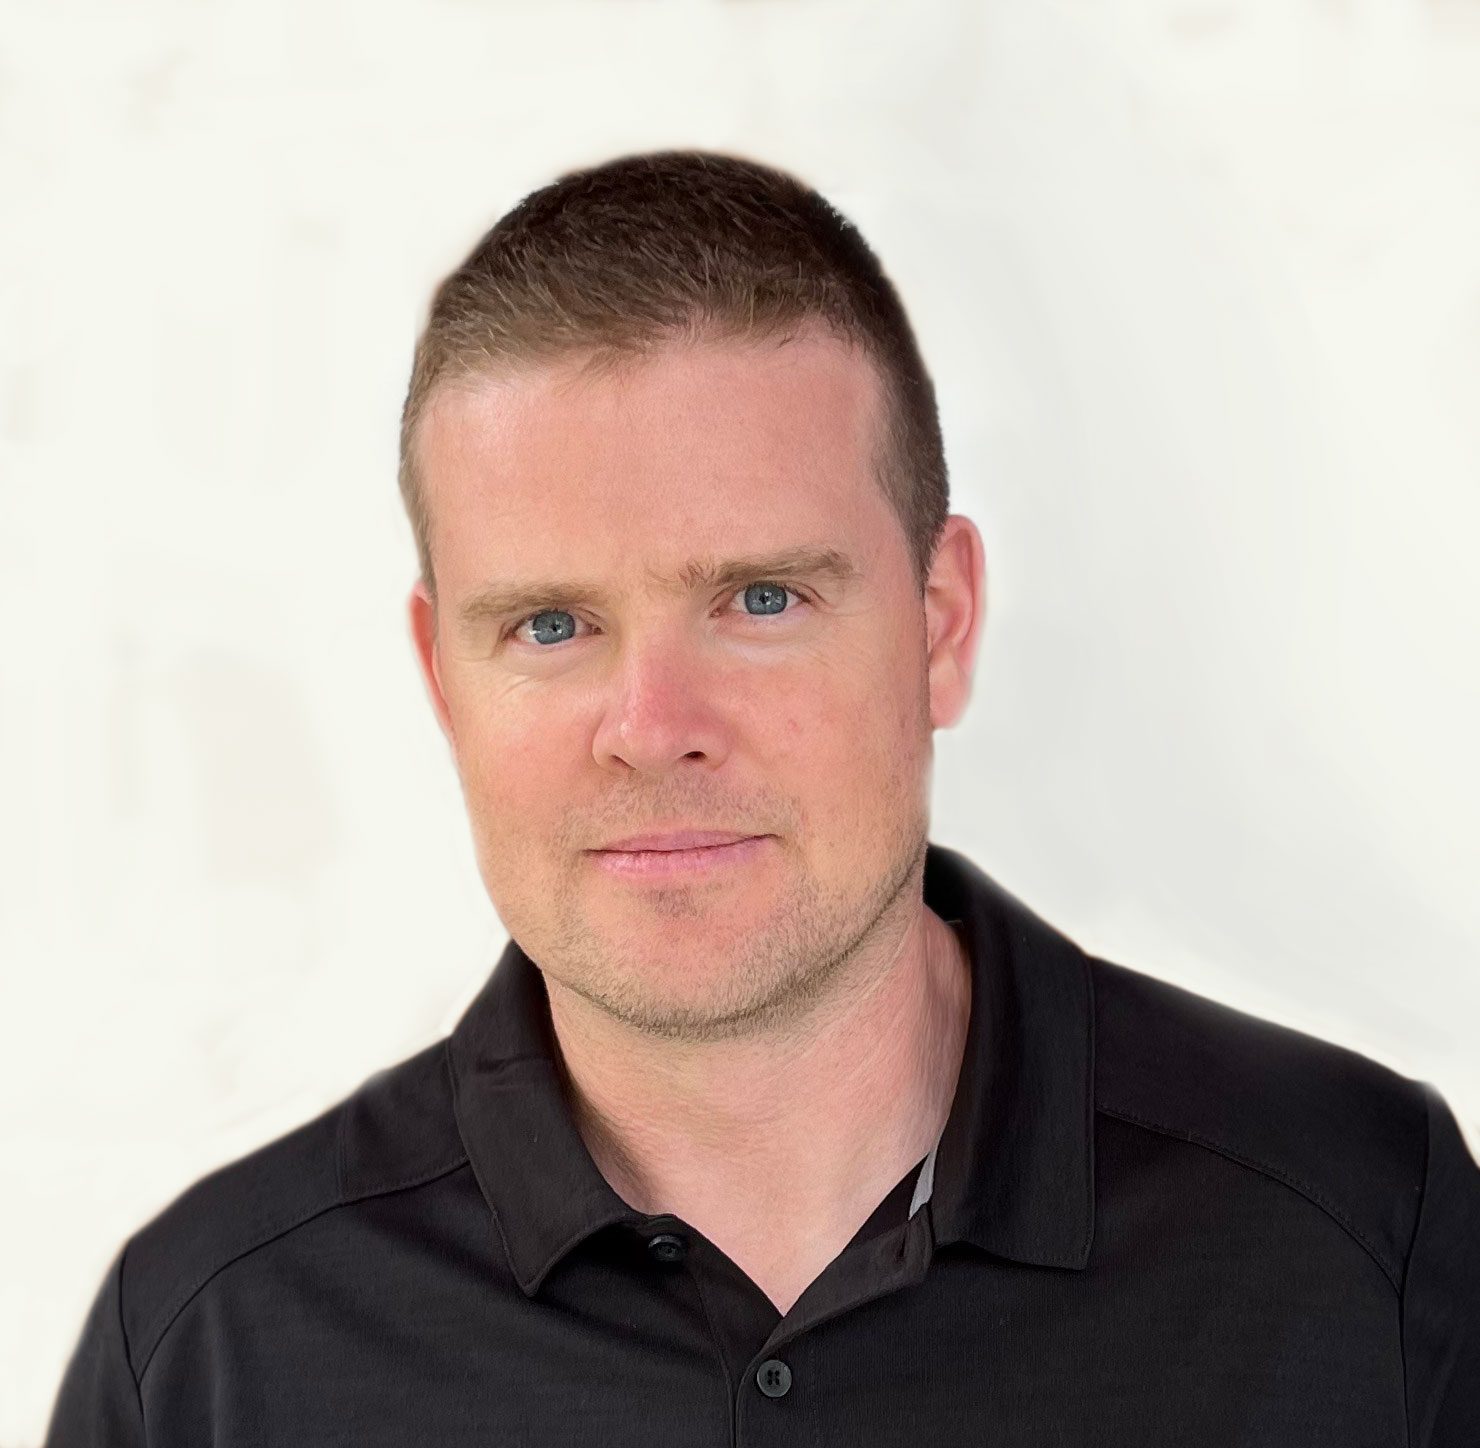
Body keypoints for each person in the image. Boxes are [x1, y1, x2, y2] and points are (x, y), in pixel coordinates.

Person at [44, 150, 1478, 1446]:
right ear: (442, 678)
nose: (652, 730)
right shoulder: (210, 1356)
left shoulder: (1365, 1230)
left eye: (762, 599)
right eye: (550, 625)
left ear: (941, 625)